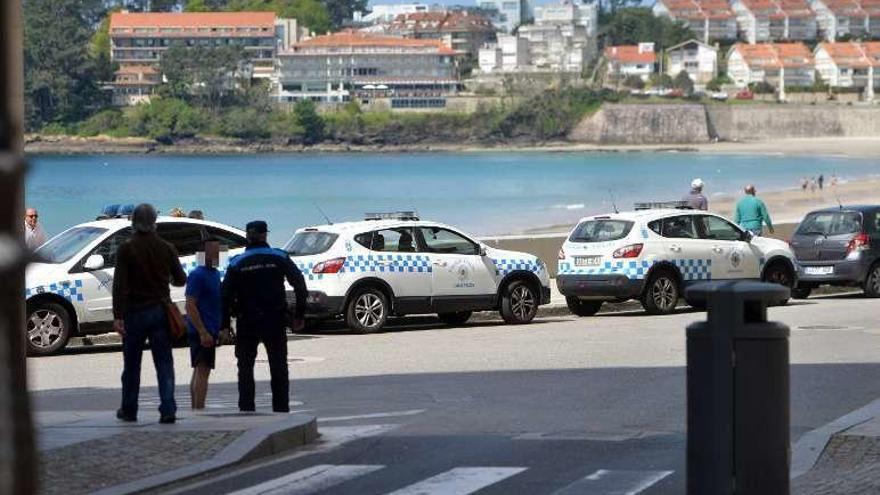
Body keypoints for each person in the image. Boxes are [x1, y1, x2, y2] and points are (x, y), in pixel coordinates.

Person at [222, 221, 308, 413]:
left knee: (245, 368)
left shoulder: (237, 262)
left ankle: (246, 409)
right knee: (278, 367)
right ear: (265, 235)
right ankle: (281, 410)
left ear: (247, 236)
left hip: (247, 320)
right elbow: (300, 285)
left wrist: (225, 325)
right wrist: (299, 314)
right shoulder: (279, 256)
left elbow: (225, 295)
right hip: (275, 319)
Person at [112, 203, 187, 424]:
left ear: (133, 221)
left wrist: (117, 316)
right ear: (155, 221)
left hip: (134, 312)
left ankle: (129, 408)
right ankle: (167, 408)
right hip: (160, 311)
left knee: (132, 365)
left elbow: (119, 285)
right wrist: (167, 278)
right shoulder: (167, 247)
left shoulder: (126, 249)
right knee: (164, 363)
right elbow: (181, 279)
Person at [186, 239, 223, 411]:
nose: (218, 255)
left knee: (200, 370)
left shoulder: (215, 274)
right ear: (203, 254)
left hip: (211, 328)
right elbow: (190, 305)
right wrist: (202, 331)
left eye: (219, 251)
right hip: (202, 330)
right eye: (214, 252)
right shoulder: (197, 275)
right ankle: (199, 410)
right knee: (203, 371)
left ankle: (196, 409)